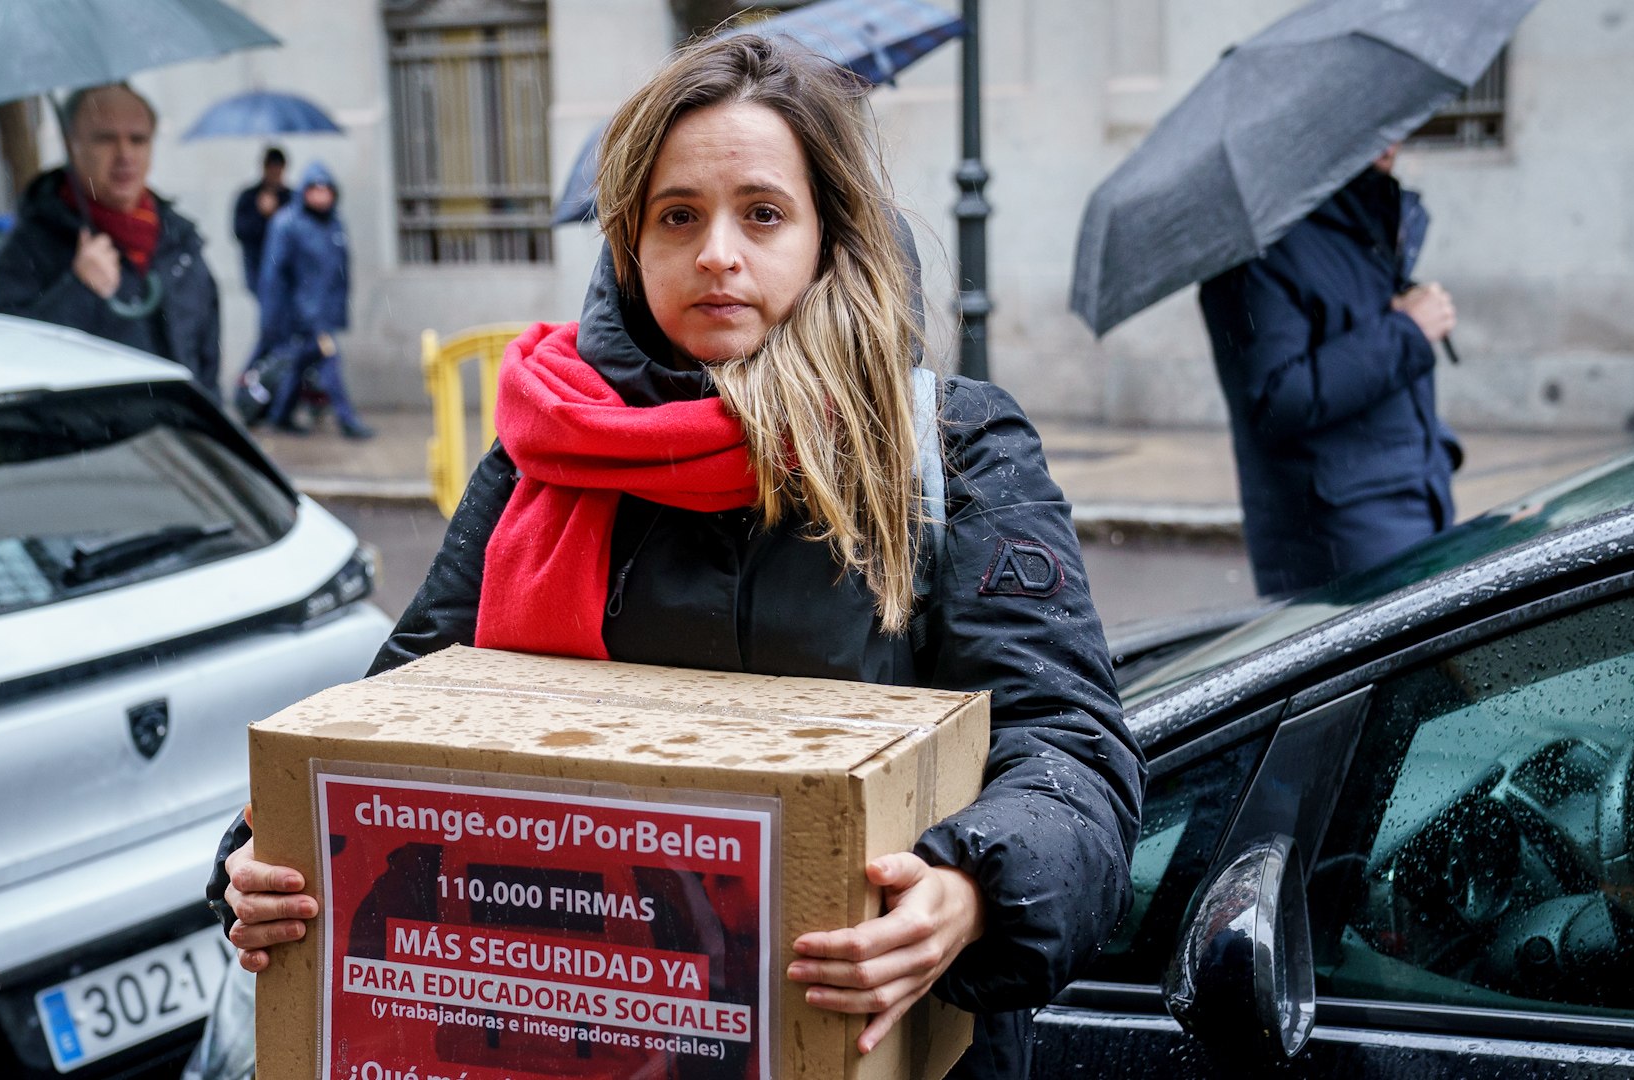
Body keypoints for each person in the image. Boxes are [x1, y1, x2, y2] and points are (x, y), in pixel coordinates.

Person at [207, 35, 1140, 1078]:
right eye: (678, 216)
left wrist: (967, 894)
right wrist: (257, 859)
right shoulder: (537, 460)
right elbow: (384, 734)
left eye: (764, 213)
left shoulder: (950, 452)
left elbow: (1074, 756)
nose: (717, 255)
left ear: (830, 235)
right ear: (629, 244)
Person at [1199, 143, 1463, 596]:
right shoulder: (1267, 246)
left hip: (1413, 502)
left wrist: (1438, 452)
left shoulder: (1366, 223)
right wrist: (1407, 330)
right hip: (1348, 530)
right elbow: (1276, 399)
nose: (1389, 139)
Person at [0, 83, 222, 400]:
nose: (125, 155)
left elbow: (206, 366)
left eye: (138, 139)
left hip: (174, 441)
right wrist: (77, 291)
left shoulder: (179, 242)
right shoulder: (32, 243)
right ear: (71, 145)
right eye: (105, 139)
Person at [253, 162, 372, 439]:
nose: (321, 195)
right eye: (315, 189)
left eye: (326, 189)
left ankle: (279, 415)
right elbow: (273, 275)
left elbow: (339, 274)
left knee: (298, 366)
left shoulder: (334, 224)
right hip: (301, 316)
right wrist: (275, 319)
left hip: (322, 313)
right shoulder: (287, 223)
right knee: (330, 364)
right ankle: (347, 419)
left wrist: (338, 311)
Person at [232, 146, 292, 294]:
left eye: (277, 167)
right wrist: (261, 215)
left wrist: (275, 214)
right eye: (271, 167)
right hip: (258, 266)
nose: (274, 172)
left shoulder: (291, 198)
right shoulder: (248, 197)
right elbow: (239, 231)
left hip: (286, 267)